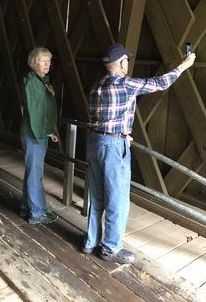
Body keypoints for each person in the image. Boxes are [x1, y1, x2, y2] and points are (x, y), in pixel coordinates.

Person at [83, 43, 196, 264]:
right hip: (113, 146)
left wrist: (122, 131)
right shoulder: (125, 84)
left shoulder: (97, 85)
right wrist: (183, 65)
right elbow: (160, 83)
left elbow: (106, 116)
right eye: (126, 60)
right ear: (121, 63)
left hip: (94, 140)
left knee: (96, 196)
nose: (128, 63)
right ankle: (110, 249)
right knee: (117, 199)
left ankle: (90, 243)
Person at [20, 47, 59, 225]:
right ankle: (37, 213)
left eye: (49, 61)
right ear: (34, 63)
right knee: (35, 173)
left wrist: (51, 130)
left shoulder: (41, 82)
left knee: (32, 172)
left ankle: (26, 207)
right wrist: (46, 132)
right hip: (34, 134)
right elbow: (35, 113)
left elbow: (45, 110)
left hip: (37, 132)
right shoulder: (33, 84)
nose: (47, 64)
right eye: (43, 60)